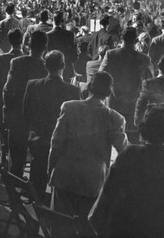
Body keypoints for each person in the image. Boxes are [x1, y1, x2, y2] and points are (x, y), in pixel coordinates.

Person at [48, 71, 128, 237]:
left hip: (65, 174)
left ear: (89, 87)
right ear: (108, 92)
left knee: (60, 226)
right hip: (92, 180)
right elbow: (125, 151)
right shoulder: (115, 118)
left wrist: (51, 168)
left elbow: (56, 143)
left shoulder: (69, 107)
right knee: (86, 226)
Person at [89, 107, 164, 238]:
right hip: (154, 231)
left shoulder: (129, 153)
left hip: (119, 228)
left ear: (143, 129)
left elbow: (107, 194)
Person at [22, 50, 80, 201]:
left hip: (38, 140)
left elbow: (26, 114)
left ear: (45, 65)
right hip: (62, 144)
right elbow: (74, 122)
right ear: (63, 65)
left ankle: (35, 207)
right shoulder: (72, 91)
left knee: (37, 179)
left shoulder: (32, 85)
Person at [3, 31, 48, 177]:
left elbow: (8, 91)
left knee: (15, 160)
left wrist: (8, 112)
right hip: (37, 121)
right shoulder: (47, 67)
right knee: (37, 161)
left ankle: (13, 191)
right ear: (45, 47)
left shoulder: (17, 62)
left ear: (28, 45)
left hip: (17, 116)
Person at [99, 27, 153, 132]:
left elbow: (100, 75)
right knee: (132, 135)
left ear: (121, 38)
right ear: (136, 39)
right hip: (134, 102)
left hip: (113, 100)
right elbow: (149, 81)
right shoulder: (144, 59)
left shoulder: (110, 54)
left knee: (114, 134)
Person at [0, 28, 24, 165]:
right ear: (21, 41)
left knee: (4, 137)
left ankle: (3, 164)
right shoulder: (26, 59)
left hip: (2, 102)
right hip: (20, 105)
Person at [46, 11, 78, 82]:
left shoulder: (47, 35)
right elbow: (74, 57)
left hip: (50, 71)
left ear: (52, 21)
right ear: (63, 22)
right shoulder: (71, 35)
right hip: (66, 71)